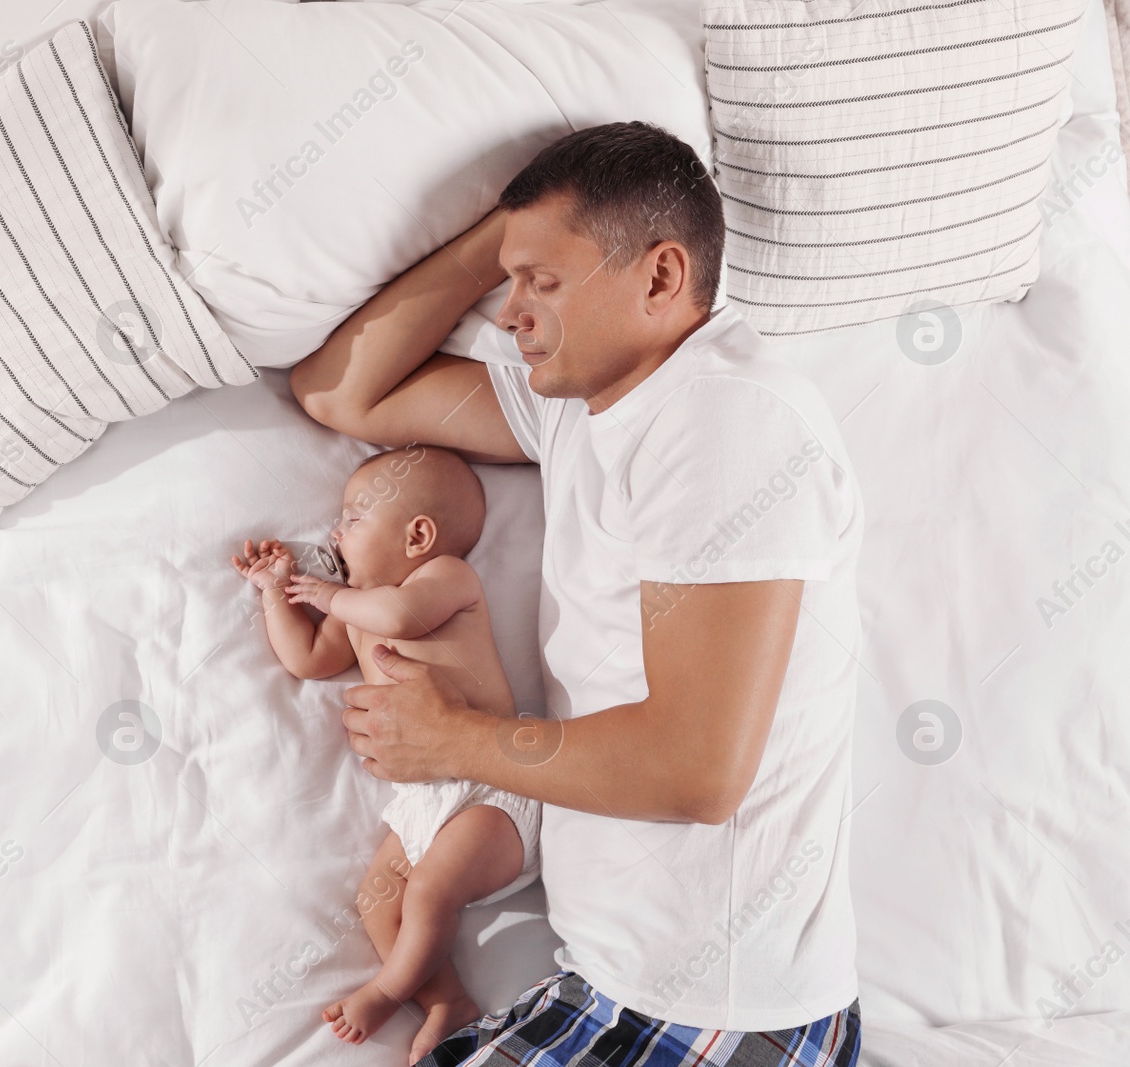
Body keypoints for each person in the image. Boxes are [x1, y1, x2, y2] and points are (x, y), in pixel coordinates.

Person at [289, 122, 865, 1066]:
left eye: (542, 284)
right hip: (619, 984)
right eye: (511, 284)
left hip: (713, 1007)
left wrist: (451, 740)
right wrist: (507, 237)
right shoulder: (576, 411)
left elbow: (697, 771)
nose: (510, 311)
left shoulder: (727, 420)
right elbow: (337, 392)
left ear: (660, 276)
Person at [232, 446, 540, 1065]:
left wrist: (325, 593)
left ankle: (386, 990)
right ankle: (446, 999)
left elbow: (400, 615)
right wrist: (275, 594)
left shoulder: (445, 580)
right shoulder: (353, 610)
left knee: (427, 893)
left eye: (352, 518)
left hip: (493, 785)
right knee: (377, 896)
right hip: (425, 803)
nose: (334, 532)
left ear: (418, 535)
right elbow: (306, 661)